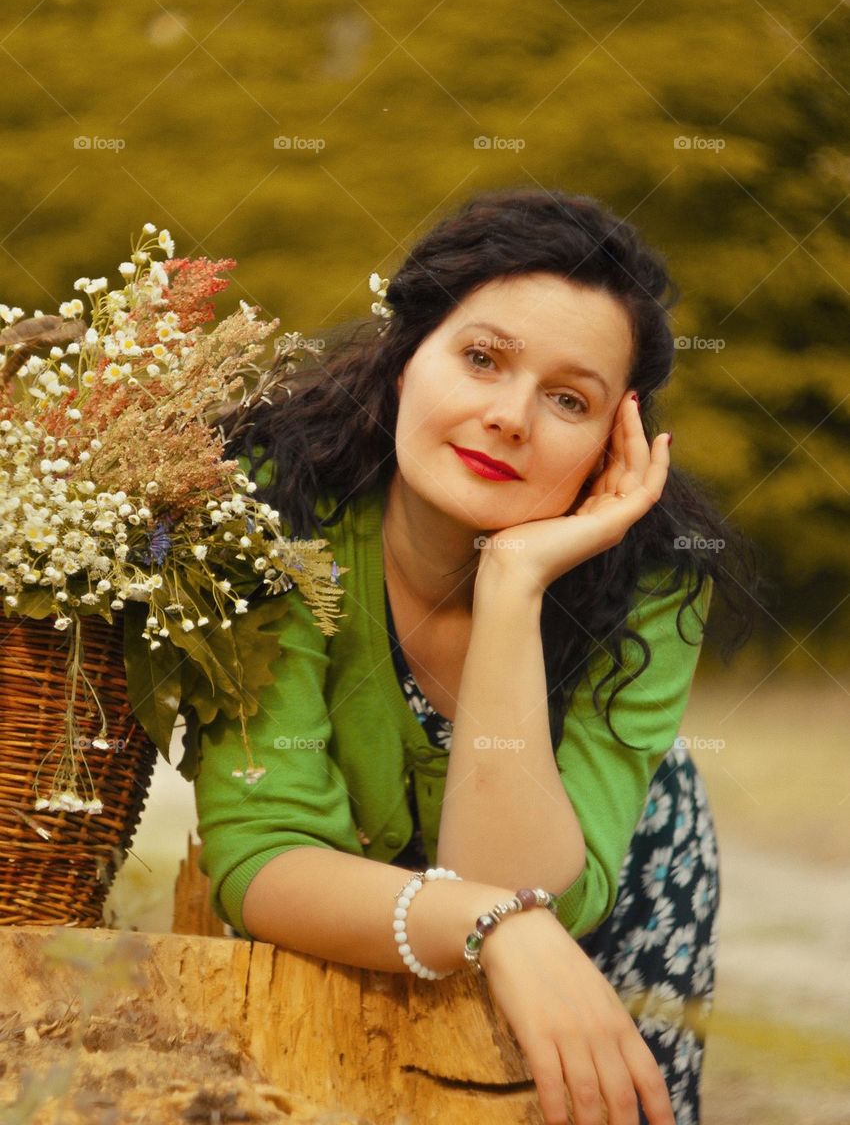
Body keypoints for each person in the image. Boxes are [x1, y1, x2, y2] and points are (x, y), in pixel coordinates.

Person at [194, 188, 759, 1125]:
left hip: (601, 905)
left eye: (569, 400)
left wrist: (511, 585)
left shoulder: (656, 582)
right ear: (406, 356)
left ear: (609, 442)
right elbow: (264, 856)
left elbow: (533, 888)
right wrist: (498, 926)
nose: (511, 417)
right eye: (483, 358)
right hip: (344, 915)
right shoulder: (272, 518)